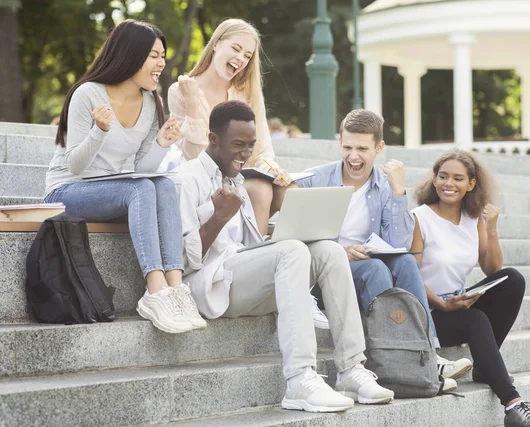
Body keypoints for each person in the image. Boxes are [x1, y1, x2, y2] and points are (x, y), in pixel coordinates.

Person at [174, 100, 394, 413]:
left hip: (242, 276)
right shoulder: (187, 179)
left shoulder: (235, 179)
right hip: (211, 287)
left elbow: (247, 245)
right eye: (237, 144)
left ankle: (350, 370)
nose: (245, 154)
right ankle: (299, 378)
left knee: (329, 250)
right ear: (213, 139)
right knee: (291, 251)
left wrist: (282, 228)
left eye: (250, 145)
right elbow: (181, 262)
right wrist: (218, 219)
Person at [44, 19, 206, 334]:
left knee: (162, 184)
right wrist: (99, 132)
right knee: (141, 190)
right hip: (67, 191)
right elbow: (75, 166)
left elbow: (144, 169)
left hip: (112, 188)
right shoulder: (87, 94)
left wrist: (162, 143)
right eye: (154, 56)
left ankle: (175, 286)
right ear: (130, 55)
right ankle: (155, 291)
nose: (162, 63)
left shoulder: (151, 102)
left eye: (162, 56)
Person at [298, 109, 472, 389]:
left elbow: (399, 244)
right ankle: (387, 358)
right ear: (339, 141)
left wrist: (398, 191)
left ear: (378, 148)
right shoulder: (314, 180)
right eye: (348, 147)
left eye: (362, 149)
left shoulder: (383, 185)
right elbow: (297, 236)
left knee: (404, 262)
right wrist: (339, 252)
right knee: (375, 267)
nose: (354, 156)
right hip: (327, 272)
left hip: (368, 267)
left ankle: (429, 354)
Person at [410, 150, 530, 427]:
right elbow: (409, 276)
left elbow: (493, 270)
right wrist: (442, 303)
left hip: (457, 302)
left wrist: (492, 228)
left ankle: (486, 366)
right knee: (476, 319)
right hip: (427, 310)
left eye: (458, 178)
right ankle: (513, 404)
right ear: (435, 180)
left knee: (513, 279)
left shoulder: (473, 219)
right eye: (443, 176)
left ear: (471, 184)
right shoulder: (419, 217)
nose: (449, 183)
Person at [168, 18, 291, 236]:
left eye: (247, 55)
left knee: (289, 190)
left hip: (244, 173)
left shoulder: (248, 92)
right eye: (236, 48)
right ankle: (255, 256)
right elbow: (195, 157)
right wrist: (193, 107)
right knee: (260, 191)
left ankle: (285, 252)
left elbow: (262, 148)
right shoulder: (181, 91)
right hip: (207, 181)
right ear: (215, 44)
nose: (241, 59)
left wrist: (273, 170)